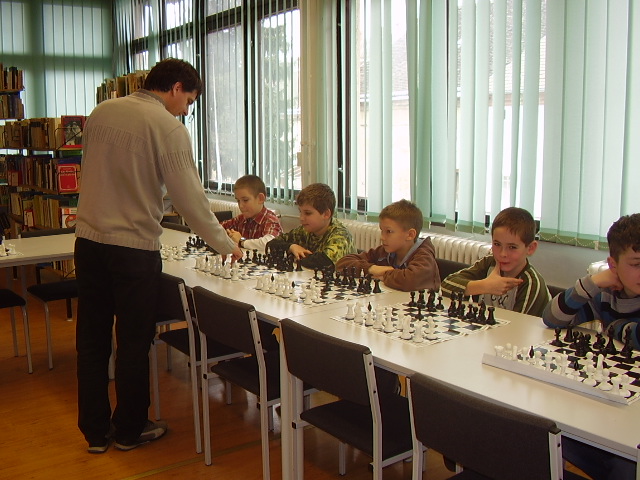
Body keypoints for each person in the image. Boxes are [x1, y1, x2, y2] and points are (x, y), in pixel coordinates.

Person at [74, 58, 242, 455]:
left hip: (88, 242)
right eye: (189, 101)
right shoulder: (168, 127)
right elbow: (191, 200)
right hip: (133, 248)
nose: (186, 110)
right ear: (177, 87)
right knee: (133, 342)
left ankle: (95, 433)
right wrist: (226, 245)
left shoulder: (101, 112)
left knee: (92, 341)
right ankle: (130, 430)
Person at [542, 213, 640, 480]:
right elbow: (552, 318)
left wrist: (615, 328)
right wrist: (592, 283)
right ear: (613, 265)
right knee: (550, 434)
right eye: (636, 264)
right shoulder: (606, 295)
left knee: (625, 466)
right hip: (613, 402)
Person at [440, 207, 550, 317]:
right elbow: (445, 286)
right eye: (497, 244)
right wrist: (485, 285)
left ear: (530, 248)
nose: (503, 254)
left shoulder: (531, 284)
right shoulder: (489, 263)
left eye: (512, 247)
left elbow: (518, 323)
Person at [335, 199, 440, 291]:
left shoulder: (424, 256)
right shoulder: (384, 252)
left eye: (389, 231)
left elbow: (410, 280)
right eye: (382, 231)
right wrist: (372, 269)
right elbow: (342, 264)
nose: (382, 237)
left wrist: (385, 274)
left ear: (410, 235)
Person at [266, 183, 356, 269]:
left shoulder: (341, 235)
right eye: (300, 212)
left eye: (308, 213)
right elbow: (271, 245)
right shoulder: (304, 231)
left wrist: (294, 255)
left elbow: (324, 262)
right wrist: (291, 247)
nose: (301, 218)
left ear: (326, 214)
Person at [221, 174, 283, 253]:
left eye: (245, 200)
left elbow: (269, 243)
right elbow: (217, 229)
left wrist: (241, 241)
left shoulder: (271, 220)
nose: (240, 206)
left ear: (260, 198)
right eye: (238, 201)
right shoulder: (241, 219)